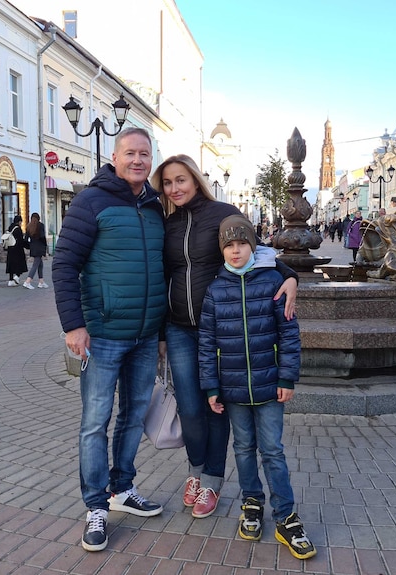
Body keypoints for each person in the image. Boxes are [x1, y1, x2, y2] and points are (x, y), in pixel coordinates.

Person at [152, 154, 297, 519]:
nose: (175, 188)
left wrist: (289, 273)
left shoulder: (222, 212)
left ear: (195, 180)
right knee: (190, 407)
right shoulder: (166, 223)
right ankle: (195, 471)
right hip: (180, 327)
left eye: (181, 180)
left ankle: (212, 481)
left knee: (215, 404)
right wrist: (158, 332)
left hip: (221, 326)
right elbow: (159, 274)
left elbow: (256, 251)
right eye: (168, 183)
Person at [52, 127, 166, 552]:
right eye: (130, 153)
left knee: (133, 416)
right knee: (94, 423)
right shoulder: (91, 200)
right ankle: (96, 507)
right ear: (114, 158)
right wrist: (73, 325)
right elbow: (64, 264)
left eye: (144, 154)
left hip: (144, 334)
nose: (138, 161)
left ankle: (122, 489)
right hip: (102, 334)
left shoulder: (155, 206)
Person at [198, 215, 315, 560]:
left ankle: (286, 516)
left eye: (242, 244)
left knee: (272, 451)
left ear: (254, 245)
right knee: (244, 449)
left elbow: (289, 334)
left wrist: (286, 377)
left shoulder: (273, 281)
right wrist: (211, 386)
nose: (235, 251)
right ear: (222, 250)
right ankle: (252, 502)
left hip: (268, 387)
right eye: (229, 246)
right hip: (232, 388)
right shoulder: (216, 289)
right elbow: (206, 343)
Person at [23, 212, 48, 289]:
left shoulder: (28, 226)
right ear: (38, 218)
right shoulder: (40, 225)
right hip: (40, 247)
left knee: (40, 264)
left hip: (33, 247)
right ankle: (28, 281)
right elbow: (42, 237)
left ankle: (41, 282)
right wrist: (45, 246)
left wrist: (30, 246)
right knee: (35, 265)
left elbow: (26, 239)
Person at [4, 215, 28, 286]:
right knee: (20, 264)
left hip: (10, 249)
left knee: (11, 264)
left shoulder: (10, 228)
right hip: (18, 250)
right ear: (19, 221)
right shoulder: (18, 229)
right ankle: (17, 276)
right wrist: (27, 245)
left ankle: (10, 280)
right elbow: (21, 241)